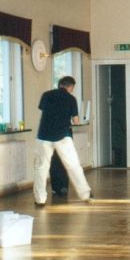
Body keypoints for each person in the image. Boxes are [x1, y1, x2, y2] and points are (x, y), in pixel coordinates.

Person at [33, 76, 92, 206]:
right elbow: (75, 121)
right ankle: (85, 194)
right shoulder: (71, 99)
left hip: (44, 136)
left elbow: (43, 110)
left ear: (60, 84)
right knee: (73, 166)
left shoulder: (46, 95)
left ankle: (40, 199)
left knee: (41, 168)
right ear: (70, 87)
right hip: (63, 137)